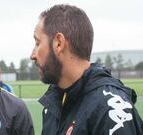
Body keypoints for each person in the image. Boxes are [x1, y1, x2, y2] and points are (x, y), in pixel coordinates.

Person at [30, 4, 143, 135]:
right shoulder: (55, 103)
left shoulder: (109, 110)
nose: (33, 55)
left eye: (38, 43)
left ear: (59, 43)